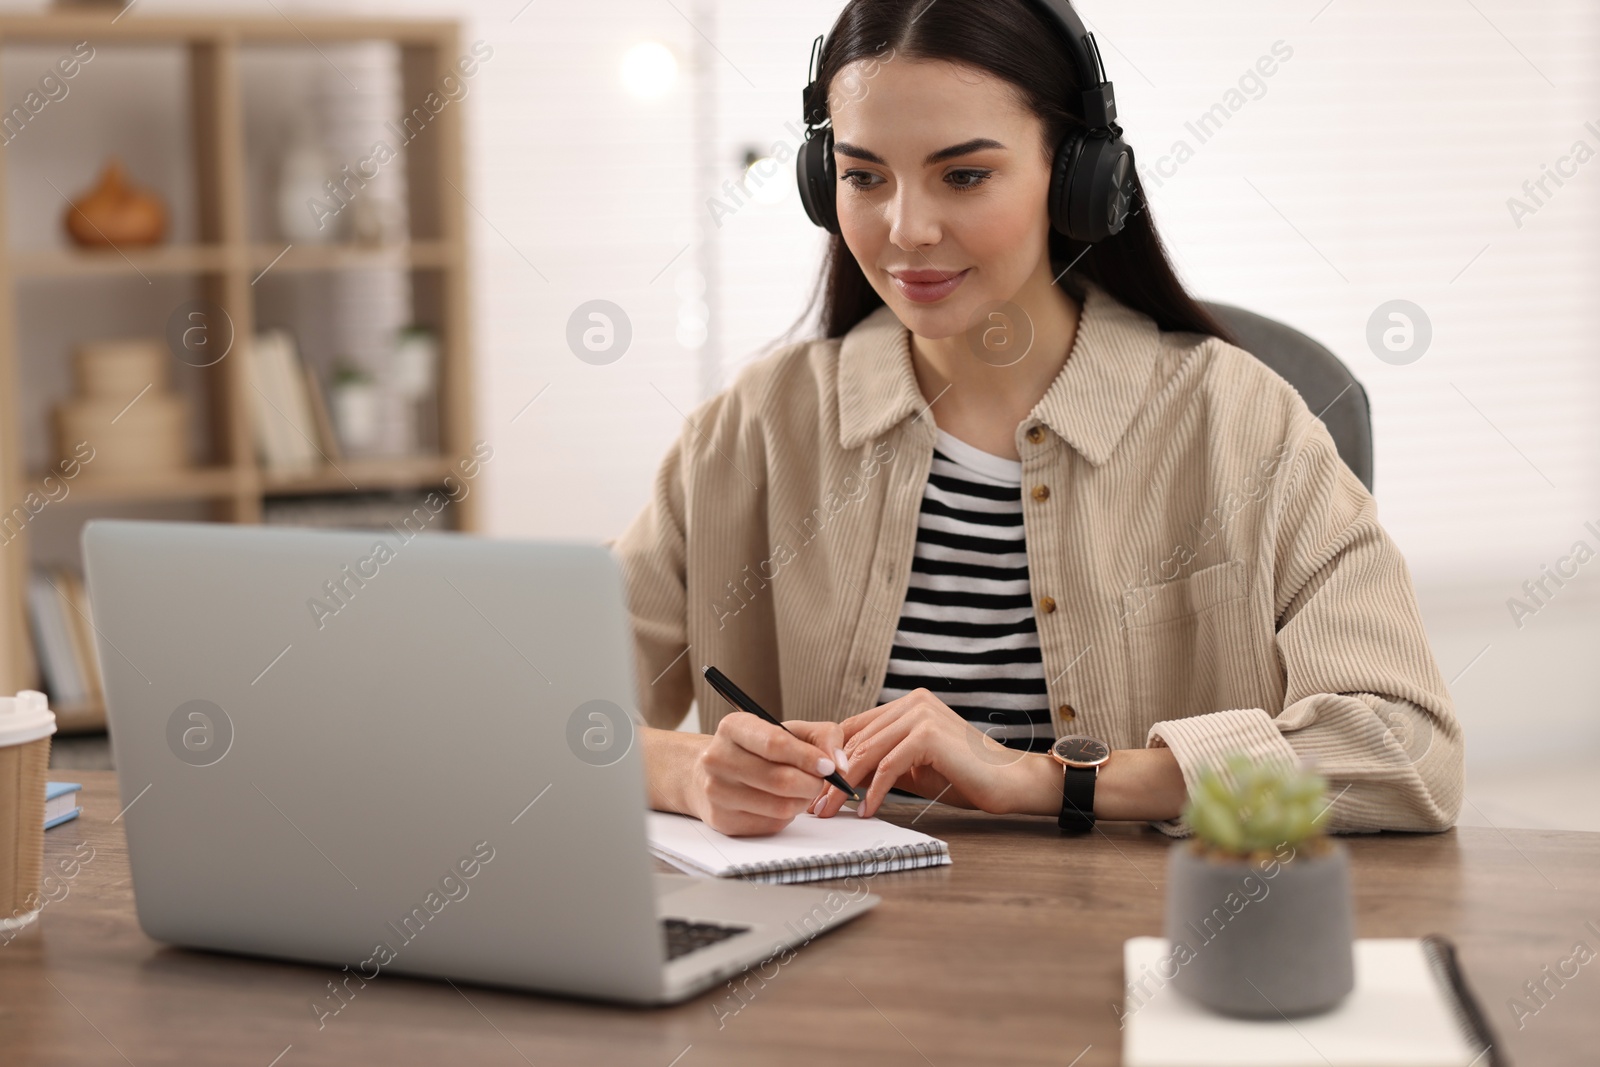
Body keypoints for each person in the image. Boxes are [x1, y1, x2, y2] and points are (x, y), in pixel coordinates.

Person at [609, 0, 1462, 838]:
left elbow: (1407, 747)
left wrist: (1043, 779)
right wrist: (687, 772)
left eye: (965, 175)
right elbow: (536, 716)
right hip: (832, 956)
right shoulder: (752, 430)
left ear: (1078, 176)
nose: (906, 230)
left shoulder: (1240, 423)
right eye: (864, 177)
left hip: (1137, 952)